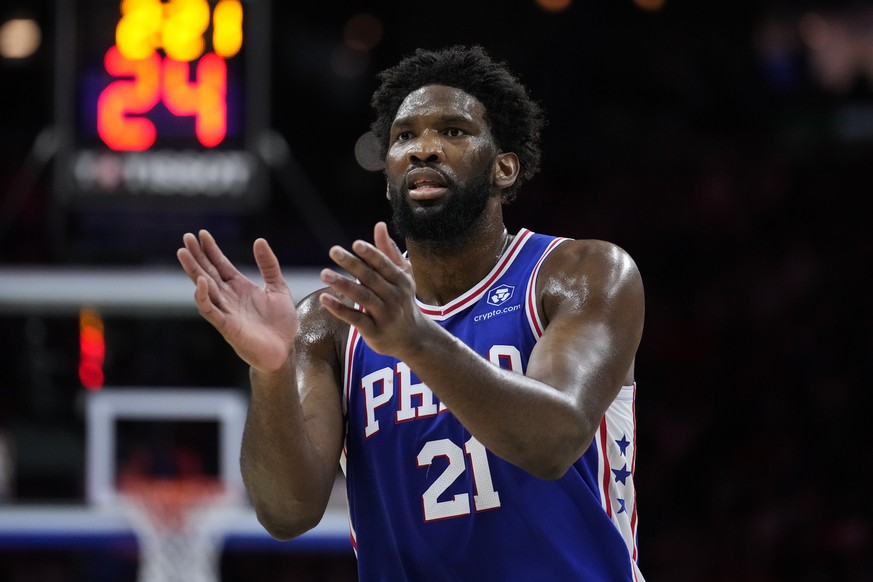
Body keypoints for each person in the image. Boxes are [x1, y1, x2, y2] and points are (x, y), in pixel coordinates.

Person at [177, 45, 646, 581]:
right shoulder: (332, 322)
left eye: (453, 131)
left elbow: (553, 443)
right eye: (404, 137)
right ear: (388, 174)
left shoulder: (581, 274)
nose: (424, 148)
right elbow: (288, 513)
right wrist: (270, 372)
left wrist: (417, 342)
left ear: (504, 168)